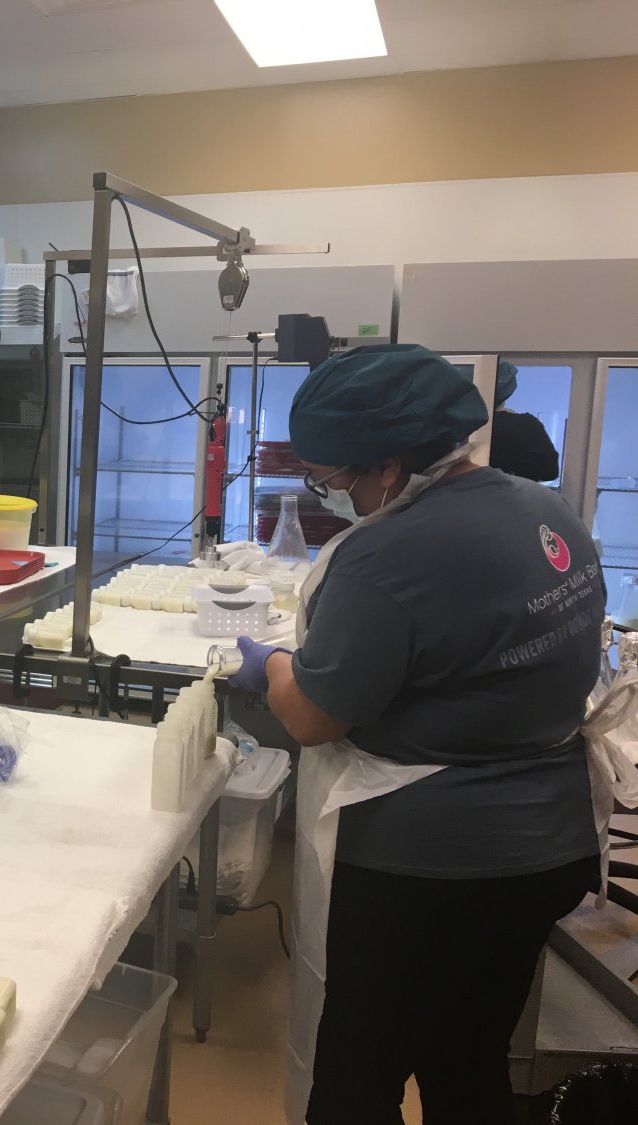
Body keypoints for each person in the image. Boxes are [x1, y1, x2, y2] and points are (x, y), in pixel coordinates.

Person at [228, 345, 603, 1125]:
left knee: (356, 1087)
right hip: (550, 848)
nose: (337, 494)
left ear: (389, 464)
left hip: (429, 871)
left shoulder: (385, 557)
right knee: (467, 1062)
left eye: (336, 477)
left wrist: (270, 668)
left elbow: (313, 715)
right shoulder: (546, 510)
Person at [489, 359, 560, 482]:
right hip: (509, 497)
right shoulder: (524, 426)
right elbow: (549, 471)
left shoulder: (459, 424)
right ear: (508, 391)